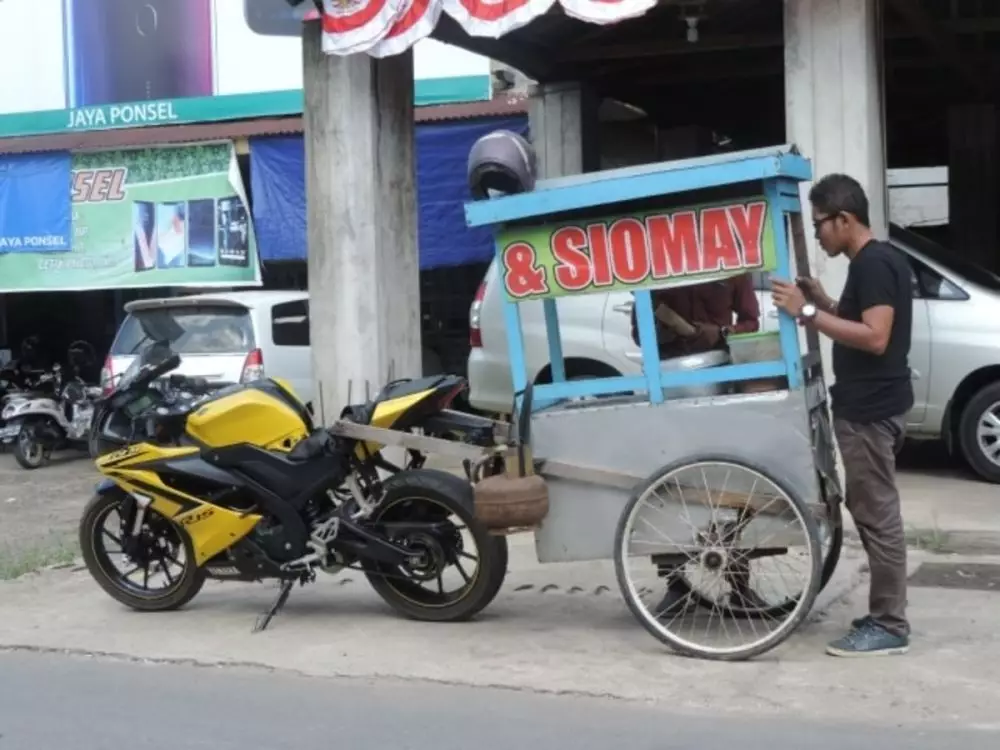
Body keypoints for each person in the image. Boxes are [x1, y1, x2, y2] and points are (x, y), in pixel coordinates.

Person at [771, 173, 913, 658]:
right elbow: (860, 322)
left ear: (844, 219)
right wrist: (822, 302)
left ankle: (889, 624)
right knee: (873, 512)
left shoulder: (873, 264)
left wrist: (804, 315)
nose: (816, 235)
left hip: (871, 412)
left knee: (878, 517)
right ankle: (885, 615)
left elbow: (875, 337)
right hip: (872, 407)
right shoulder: (875, 262)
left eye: (819, 225)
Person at [630, 274, 760, 357]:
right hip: (669, 368)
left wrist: (723, 332)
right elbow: (639, 335)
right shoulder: (654, 271)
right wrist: (669, 331)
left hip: (719, 364)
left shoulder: (731, 268)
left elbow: (751, 322)